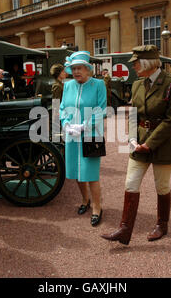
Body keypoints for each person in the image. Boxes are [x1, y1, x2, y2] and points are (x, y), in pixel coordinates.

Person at [101, 45, 171, 245]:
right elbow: (133, 114)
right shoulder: (137, 85)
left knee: (161, 186)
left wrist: (150, 143)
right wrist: (131, 138)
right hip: (138, 143)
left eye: (136, 63)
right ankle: (124, 230)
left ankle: (162, 225)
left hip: (162, 143)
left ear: (147, 63)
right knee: (131, 183)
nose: (134, 67)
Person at [59, 51, 107, 226]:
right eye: (73, 68)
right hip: (72, 135)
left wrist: (84, 125)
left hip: (91, 135)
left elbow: (102, 110)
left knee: (91, 173)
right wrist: (65, 123)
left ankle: (97, 207)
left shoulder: (99, 85)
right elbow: (62, 107)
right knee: (76, 172)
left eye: (79, 68)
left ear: (88, 69)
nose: (76, 71)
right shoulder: (68, 85)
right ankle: (85, 200)